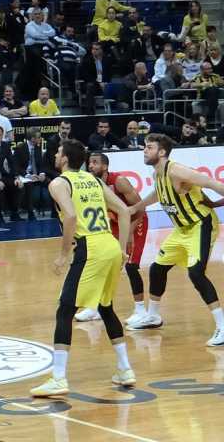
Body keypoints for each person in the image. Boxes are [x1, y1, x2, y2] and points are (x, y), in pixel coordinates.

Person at [31, 140, 135, 397]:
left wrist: (63, 254)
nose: (55, 154)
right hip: (108, 244)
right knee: (105, 306)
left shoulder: (59, 183)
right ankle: (125, 369)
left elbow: (70, 217)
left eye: (58, 151)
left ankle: (58, 378)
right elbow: (123, 210)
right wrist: (121, 248)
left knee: (65, 310)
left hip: (90, 249)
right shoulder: (94, 180)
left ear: (65, 159)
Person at [126, 134, 224, 345]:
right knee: (157, 268)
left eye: (149, 147)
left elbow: (209, 182)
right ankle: (153, 316)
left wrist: (217, 199)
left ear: (161, 152)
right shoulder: (157, 173)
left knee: (196, 273)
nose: (144, 150)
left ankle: (222, 326)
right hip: (181, 230)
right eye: (145, 147)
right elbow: (158, 193)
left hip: (200, 225)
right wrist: (137, 206)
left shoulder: (177, 170)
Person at [77, 153, 149, 325]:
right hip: (114, 224)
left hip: (135, 222)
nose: (91, 166)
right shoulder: (89, 183)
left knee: (131, 266)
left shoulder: (119, 181)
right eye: (89, 163)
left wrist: (130, 232)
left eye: (95, 163)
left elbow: (140, 208)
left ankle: (141, 311)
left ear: (105, 167)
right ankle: (96, 307)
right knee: (104, 265)